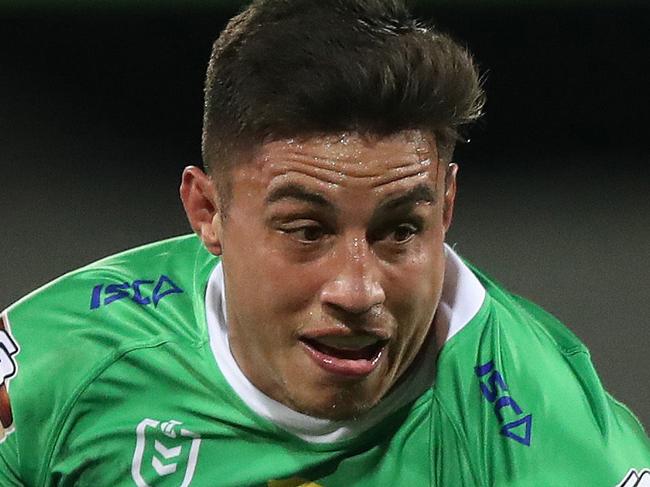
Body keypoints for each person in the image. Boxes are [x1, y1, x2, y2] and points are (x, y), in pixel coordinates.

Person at [1, 0, 648, 485]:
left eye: (400, 229)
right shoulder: (57, 371)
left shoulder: (545, 429)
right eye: (307, 230)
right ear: (208, 212)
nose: (358, 290)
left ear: (446, 207)